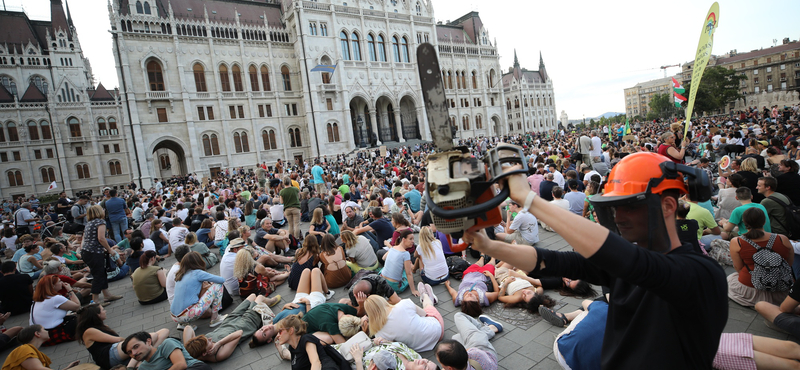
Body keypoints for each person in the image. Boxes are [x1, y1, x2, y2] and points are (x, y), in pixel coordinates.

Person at [463, 151, 728, 368]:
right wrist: (488, 245)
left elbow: (626, 259)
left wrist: (529, 199)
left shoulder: (701, 273)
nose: (619, 215)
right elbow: (555, 260)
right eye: (615, 205)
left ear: (668, 206)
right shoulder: (627, 261)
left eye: (631, 204)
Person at [249, 268, 335, 348]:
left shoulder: (272, 323)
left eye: (261, 329)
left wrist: (284, 307)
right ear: (269, 340)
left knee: (306, 271)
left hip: (297, 301)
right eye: (265, 334)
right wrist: (308, 303)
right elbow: (308, 323)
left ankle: (325, 292)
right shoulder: (286, 331)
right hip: (311, 304)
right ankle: (327, 293)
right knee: (316, 271)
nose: (265, 329)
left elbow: (284, 315)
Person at [727, 207, 793, 307]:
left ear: (744, 222)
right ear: (764, 221)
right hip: (781, 288)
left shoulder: (737, 242)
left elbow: (738, 268)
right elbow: (789, 263)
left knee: (730, 278)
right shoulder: (782, 238)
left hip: (750, 288)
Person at [182, 294, 278, 362]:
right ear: (204, 353)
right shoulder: (219, 355)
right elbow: (239, 333)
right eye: (209, 342)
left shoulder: (197, 349)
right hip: (247, 323)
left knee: (252, 296)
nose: (210, 339)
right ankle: (272, 301)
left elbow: (188, 328)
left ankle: (266, 303)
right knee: (259, 297)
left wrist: (187, 353)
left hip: (230, 319)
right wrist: (218, 344)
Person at [76, 303, 170, 370]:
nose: (105, 311)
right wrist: (132, 341)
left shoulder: (102, 327)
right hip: (109, 355)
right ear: (97, 315)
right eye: (102, 310)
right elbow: (116, 339)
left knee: (164, 331)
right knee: (152, 336)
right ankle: (131, 367)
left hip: (115, 351)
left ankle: (144, 359)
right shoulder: (89, 331)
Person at [364, 292, 444, 353]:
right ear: (382, 300)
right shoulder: (403, 303)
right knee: (428, 307)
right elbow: (424, 314)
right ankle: (425, 294)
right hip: (437, 331)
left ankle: (425, 295)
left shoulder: (378, 332)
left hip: (419, 348)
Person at [171, 252, 227, 328]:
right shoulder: (197, 273)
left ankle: (183, 324)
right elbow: (221, 280)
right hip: (189, 313)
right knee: (218, 285)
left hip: (174, 316)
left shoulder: (180, 274)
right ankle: (215, 318)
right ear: (198, 261)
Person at [272, 314, 345, 369]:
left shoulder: (306, 339)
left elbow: (316, 363)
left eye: (280, 331)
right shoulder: (292, 348)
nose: (278, 335)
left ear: (291, 330)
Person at [434, 313, 503, 370]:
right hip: (486, 354)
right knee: (458, 316)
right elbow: (471, 350)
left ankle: (483, 331)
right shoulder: (474, 353)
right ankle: (490, 328)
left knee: (456, 337)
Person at [30, 275, 81, 346]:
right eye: (59, 281)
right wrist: (70, 290)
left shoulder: (38, 300)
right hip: (54, 333)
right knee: (83, 317)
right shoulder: (55, 298)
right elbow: (77, 306)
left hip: (42, 335)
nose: (62, 283)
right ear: (53, 286)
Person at [1, 325, 81, 370]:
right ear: (37, 334)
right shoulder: (24, 349)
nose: (47, 331)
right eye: (44, 329)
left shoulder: (31, 350)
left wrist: (67, 368)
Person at [122, 332, 211, 370]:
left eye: (136, 347)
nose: (134, 353)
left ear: (148, 341)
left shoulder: (166, 344)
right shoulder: (142, 368)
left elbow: (181, 365)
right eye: (129, 352)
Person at [380, 229, 419, 295]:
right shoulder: (405, 254)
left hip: (382, 280)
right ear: (403, 239)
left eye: (413, 239)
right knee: (406, 271)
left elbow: (383, 258)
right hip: (393, 286)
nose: (413, 241)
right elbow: (409, 273)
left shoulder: (393, 247)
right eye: (410, 239)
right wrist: (413, 290)